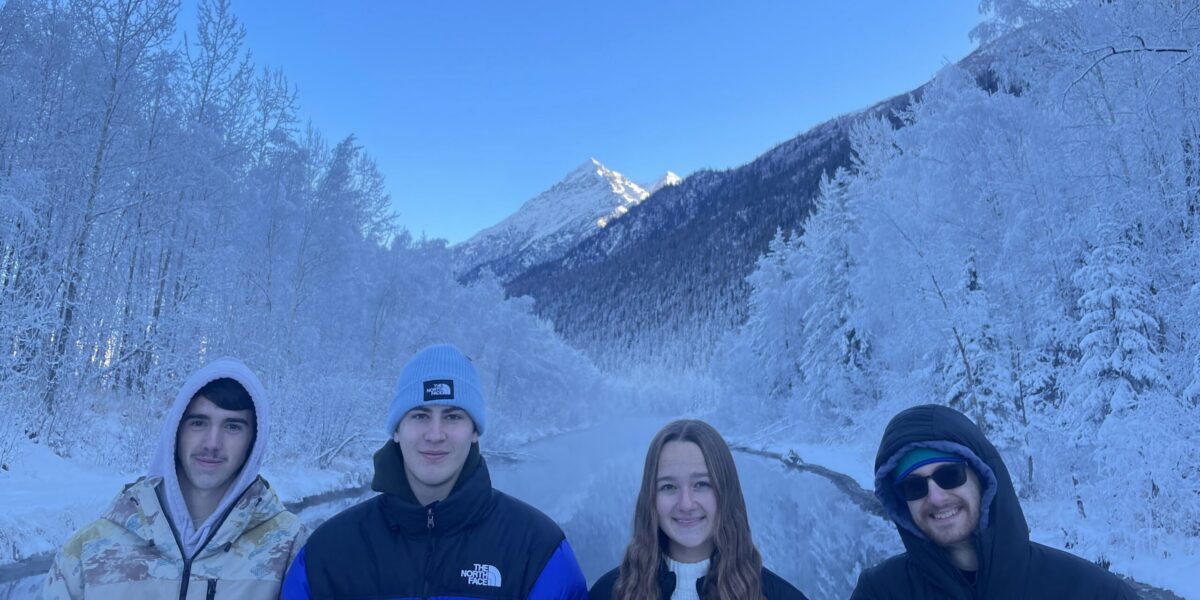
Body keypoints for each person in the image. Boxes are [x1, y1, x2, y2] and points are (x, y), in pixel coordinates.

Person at [282, 343, 587, 599]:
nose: (435, 433)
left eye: (453, 417)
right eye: (419, 415)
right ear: (397, 430)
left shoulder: (537, 551)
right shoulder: (328, 553)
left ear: (474, 431)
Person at [42, 357, 306, 599]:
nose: (212, 443)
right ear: (176, 431)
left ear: (254, 441)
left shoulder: (290, 552)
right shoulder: (87, 553)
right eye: (198, 423)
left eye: (232, 426)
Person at [851, 404, 1137, 599]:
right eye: (914, 487)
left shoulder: (1090, 591)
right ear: (901, 503)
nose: (936, 497)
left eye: (950, 475)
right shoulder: (881, 592)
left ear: (983, 479)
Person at [589, 419, 809, 600]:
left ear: (726, 492)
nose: (686, 504)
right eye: (668, 487)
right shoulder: (607, 594)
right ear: (650, 498)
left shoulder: (779, 596)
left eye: (702, 484)